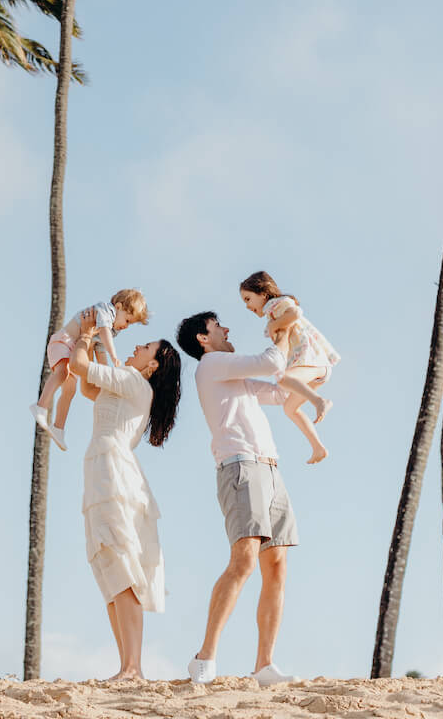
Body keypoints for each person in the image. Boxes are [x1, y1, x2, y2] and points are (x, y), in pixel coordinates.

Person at [176, 310, 300, 686]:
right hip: (241, 468)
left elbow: (280, 393)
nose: (227, 329)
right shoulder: (212, 364)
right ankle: (205, 656)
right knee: (243, 561)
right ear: (203, 338)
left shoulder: (232, 375)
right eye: (218, 326)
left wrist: (310, 366)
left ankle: (264, 665)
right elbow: (270, 361)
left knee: (276, 564)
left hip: (271, 469)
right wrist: (283, 324)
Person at [67, 312, 182, 681]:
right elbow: (88, 387)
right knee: (109, 567)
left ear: (153, 364)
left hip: (113, 472)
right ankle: (126, 666)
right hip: (103, 469)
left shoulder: (134, 383)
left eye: (146, 346)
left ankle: (132, 668)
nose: (137, 345)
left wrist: (86, 335)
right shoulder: (128, 382)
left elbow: (79, 365)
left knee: (120, 564)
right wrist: (95, 341)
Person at [239, 270, 339, 465]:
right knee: (289, 408)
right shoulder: (271, 315)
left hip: (313, 362)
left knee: (283, 378)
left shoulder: (276, 304)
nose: (247, 306)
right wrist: (274, 329)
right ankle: (318, 448)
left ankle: (319, 401)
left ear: (263, 294)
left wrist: (275, 324)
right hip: (312, 369)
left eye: (248, 299)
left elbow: (296, 312)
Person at [32, 288, 150, 451]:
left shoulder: (111, 329)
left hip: (72, 350)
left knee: (70, 389)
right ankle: (41, 406)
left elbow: (99, 348)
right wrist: (114, 355)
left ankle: (58, 427)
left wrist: (108, 374)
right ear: (119, 307)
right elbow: (104, 333)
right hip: (63, 342)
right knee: (62, 373)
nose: (126, 326)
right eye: (127, 321)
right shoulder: (104, 310)